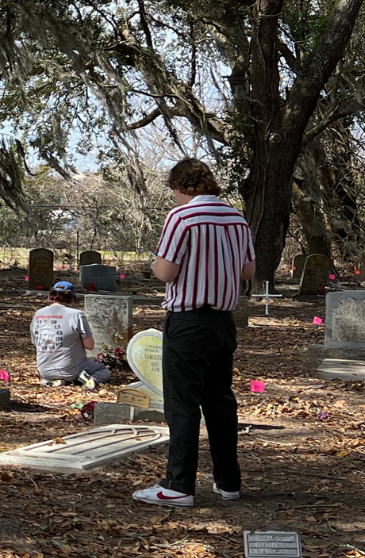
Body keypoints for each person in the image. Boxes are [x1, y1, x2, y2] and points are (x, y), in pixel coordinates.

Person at [132, 158, 254, 508]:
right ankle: (228, 481)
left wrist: (155, 263)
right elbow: (248, 270)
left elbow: (167, 272)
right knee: (219, 401)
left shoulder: (182, 217)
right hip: (222, 321)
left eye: (174, 191)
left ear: (181, 187)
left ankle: (179, 484)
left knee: (182, 403)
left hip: (187, 319)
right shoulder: (236, 217)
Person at [29, 281, 109, 388]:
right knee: (103, 370)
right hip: (72, 370)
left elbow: (36, 342)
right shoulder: (76, 315)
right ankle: (90, 380)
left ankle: (57, 381)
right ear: (71, 298)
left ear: (52, 296)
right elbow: (90, 346)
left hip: (45, 370)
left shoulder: (38, 314)